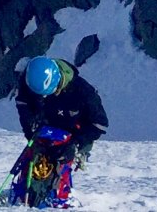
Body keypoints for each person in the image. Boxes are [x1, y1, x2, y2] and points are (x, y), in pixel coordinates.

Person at [7, 56, 108, 207]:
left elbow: (99, 124)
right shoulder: (29, 80)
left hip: (75, 134)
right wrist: (29, 129)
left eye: (48, 93)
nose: (43, 98)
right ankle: (28, 191)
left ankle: (60, 192)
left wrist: (75, 144)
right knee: (34, 159)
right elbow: (23, 105)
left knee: (61, 162)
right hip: (44, 130)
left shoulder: (83, 92)